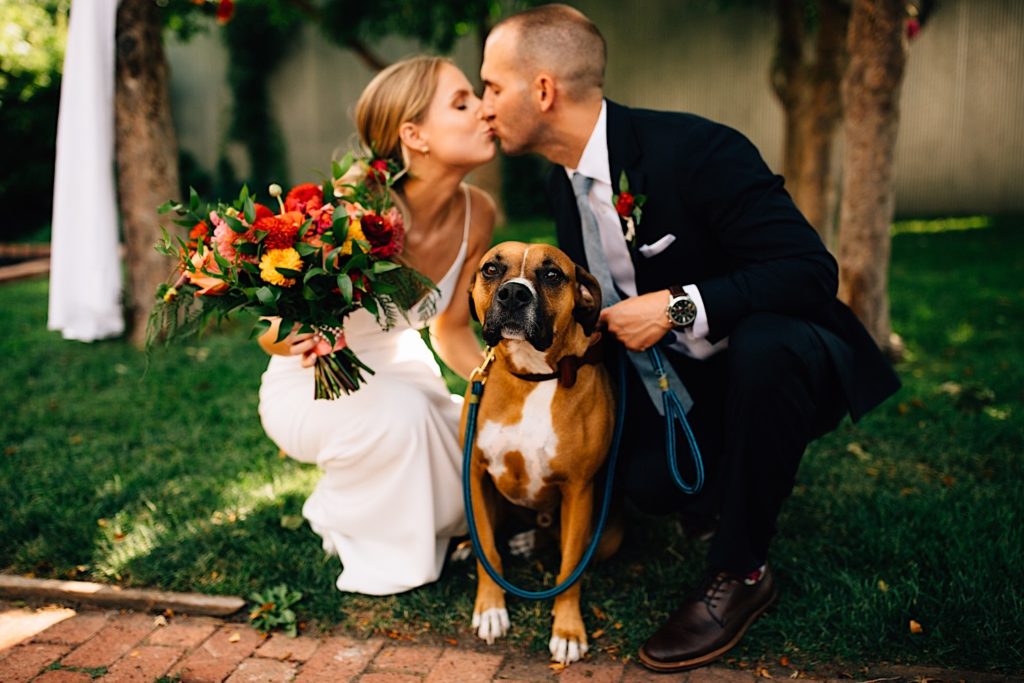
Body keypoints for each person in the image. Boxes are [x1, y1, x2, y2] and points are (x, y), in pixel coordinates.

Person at [479, 4, 900, 672]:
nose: (482, 106)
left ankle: (742, 573)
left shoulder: (697, 150)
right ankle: (719, 489)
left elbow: (810, 270)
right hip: (679, 381)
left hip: (778, 360)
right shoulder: (564, 186)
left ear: (543, 91)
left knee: (769, 345)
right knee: (647, 483)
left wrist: (675, 307)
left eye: (491, 87)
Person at [257, 56, 497, 595]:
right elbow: (271, 333)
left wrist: (498, 383)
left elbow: (453, 330)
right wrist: (303, 333)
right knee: (405, 417)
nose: (485, 110)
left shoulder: (479, 212)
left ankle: (401, 514)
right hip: (312, 383)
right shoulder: (359, 200)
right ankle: (346, 517)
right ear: (414, 135)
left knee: (474, 438)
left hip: (401, 366)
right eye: (462, 102)